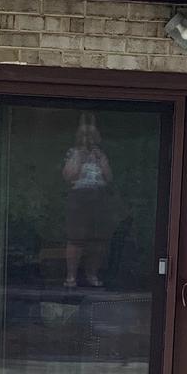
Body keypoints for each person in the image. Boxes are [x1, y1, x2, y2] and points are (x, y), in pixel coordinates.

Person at [62, 113, 113, 288]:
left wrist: (100, 160)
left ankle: (92, 274)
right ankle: (71, 277)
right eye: (84, 135)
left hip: (98, 197)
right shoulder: (73, 153)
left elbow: (108, 177)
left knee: (97, 240)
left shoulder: (101, 154)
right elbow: (68, 177)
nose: (87, 139)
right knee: (75, 238)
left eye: (91, 135)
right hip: (78, 198)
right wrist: (80, 158)